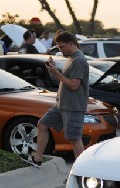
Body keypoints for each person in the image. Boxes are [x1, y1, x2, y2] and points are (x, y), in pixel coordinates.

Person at [20, 31, 89, 167]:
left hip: (73, 106)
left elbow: (74, 85)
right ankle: (37, 159)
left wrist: (56, 73)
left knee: (75, 139)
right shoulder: (71, 58)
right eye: (58, 47)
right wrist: (55, 69)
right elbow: (67, 78)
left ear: (71, 43)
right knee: (42, 124)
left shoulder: (79, 60)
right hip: (62, 105)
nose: (60, 50)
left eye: (62, 47)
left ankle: (82, 170)